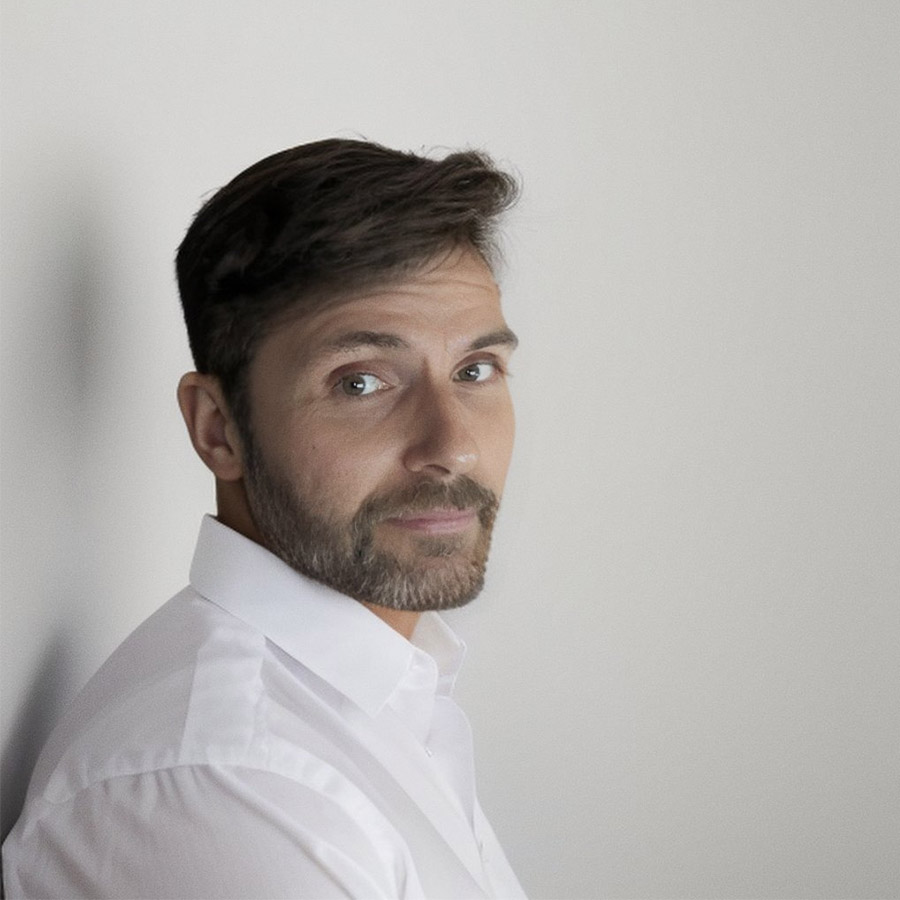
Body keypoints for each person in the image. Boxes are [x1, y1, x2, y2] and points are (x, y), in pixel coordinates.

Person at [2, 138, 526, 898]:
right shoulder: (230, 784)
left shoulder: (374, 694)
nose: (454, 448)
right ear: (219, 428)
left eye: (475, 371)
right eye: (362, 382)